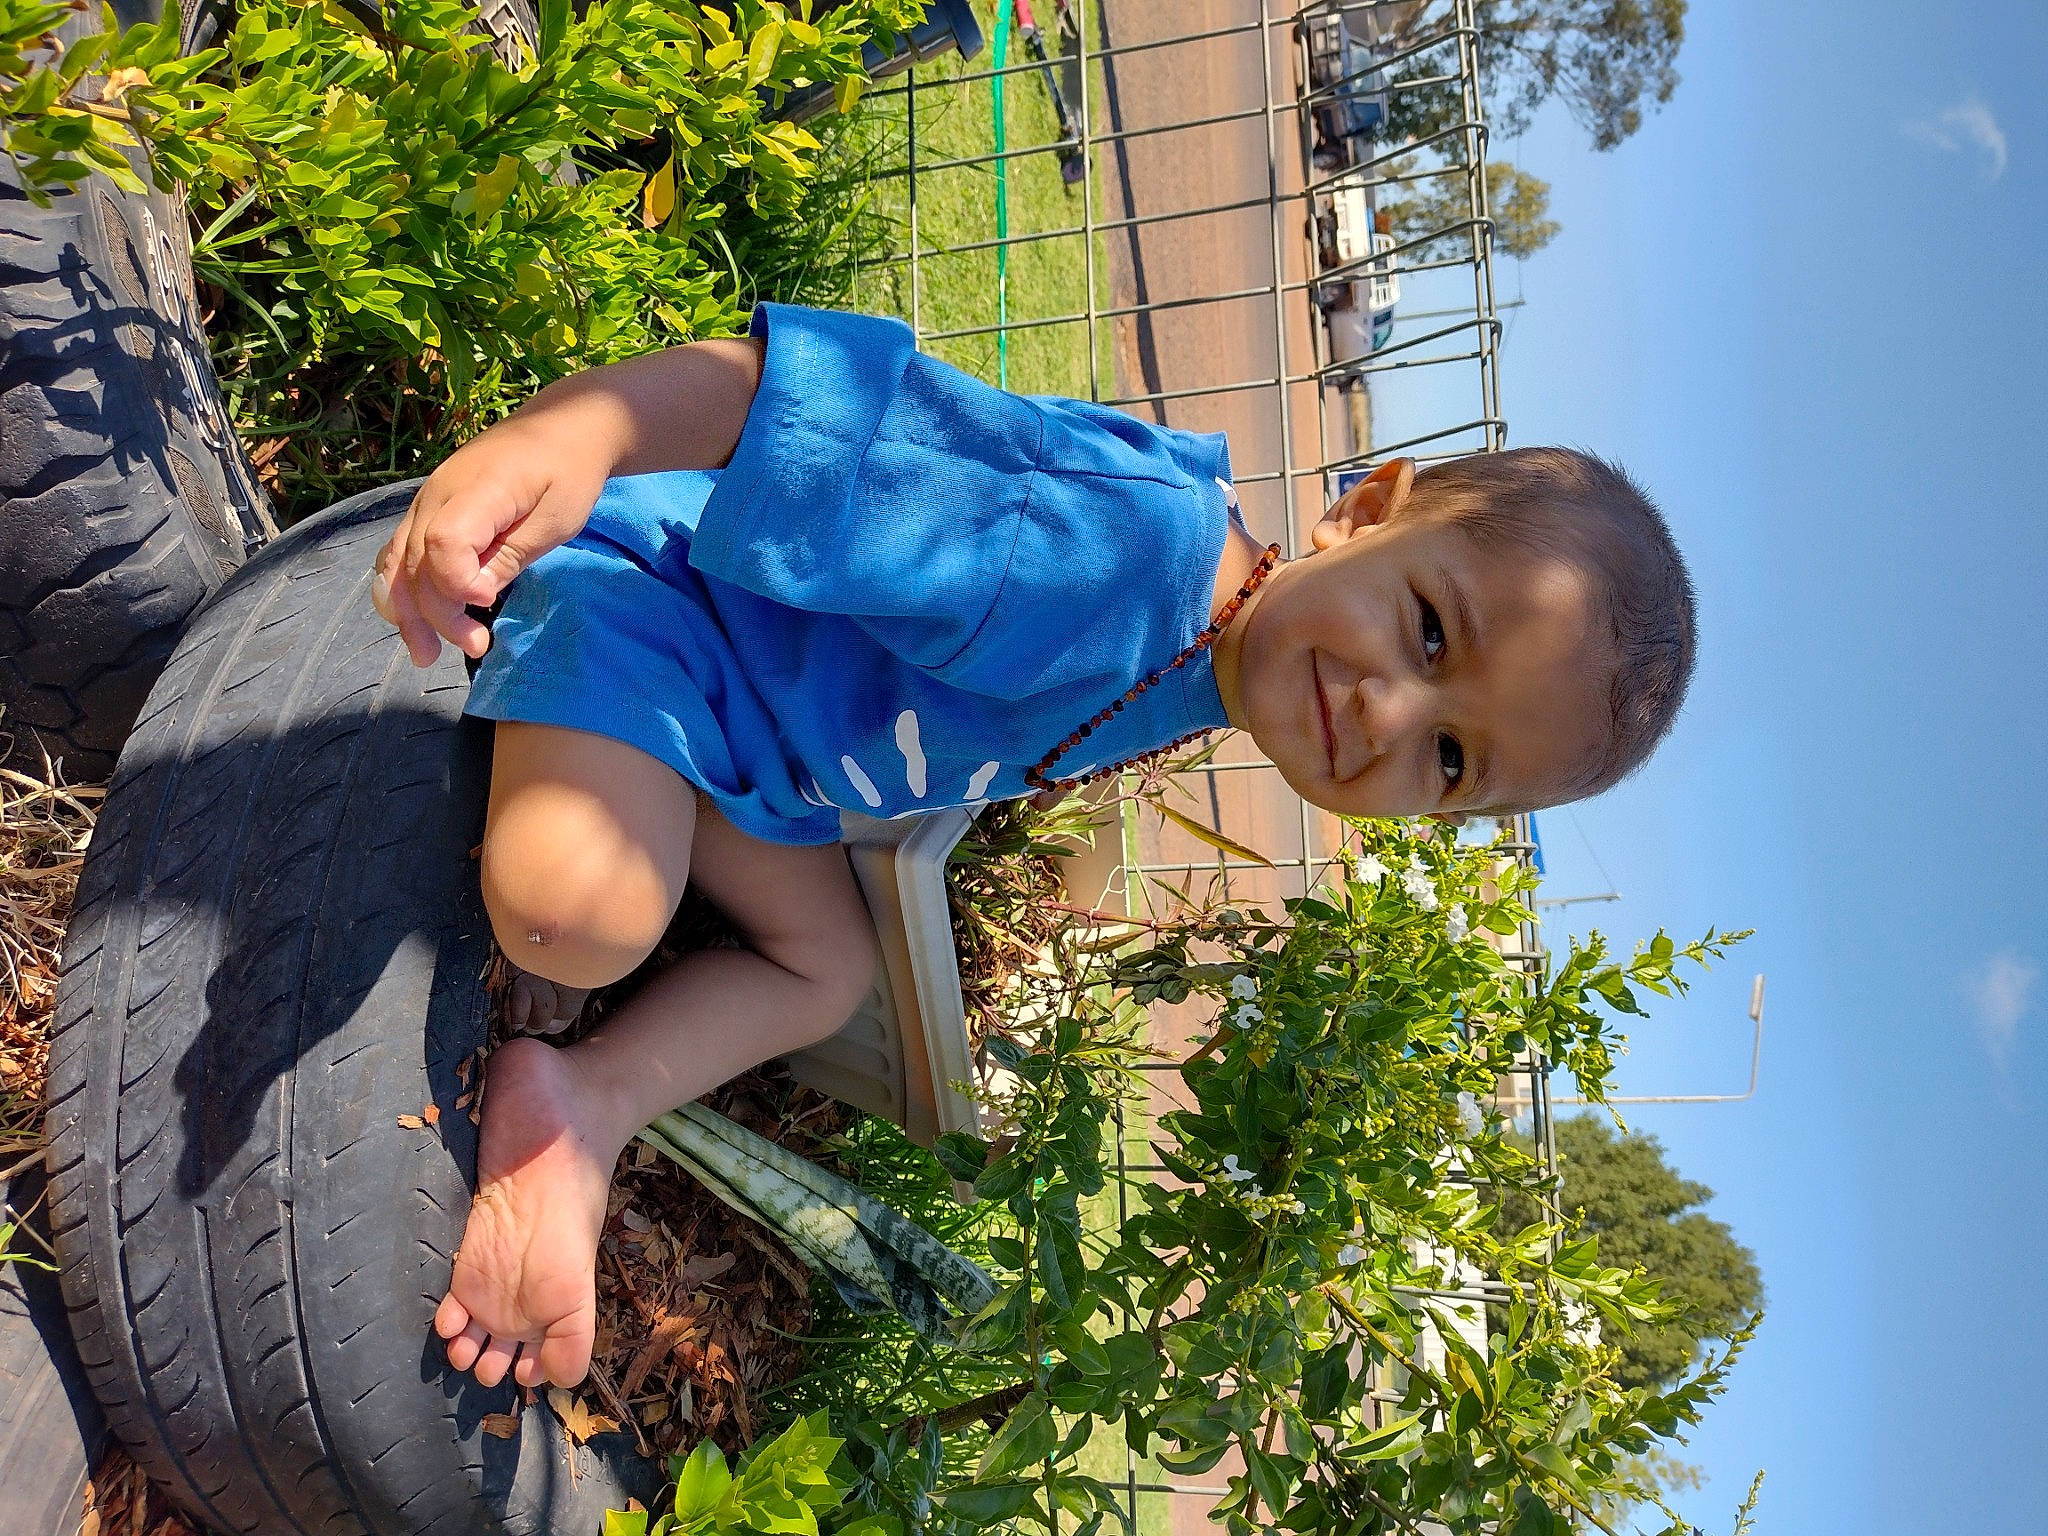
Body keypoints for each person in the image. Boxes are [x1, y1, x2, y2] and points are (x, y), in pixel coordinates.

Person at [371, 302, 1695, 1393]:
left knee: (821, 974)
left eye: (1452, 759)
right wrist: (566, 438)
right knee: (580, 916)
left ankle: (583, 1107)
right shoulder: (1120, 552)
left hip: (750, 750)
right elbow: (809, 400)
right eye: (1428, 632)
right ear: (1369, 505)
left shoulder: (1218, 657)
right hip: (656, 605)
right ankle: (592, 876)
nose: (1389, 713)